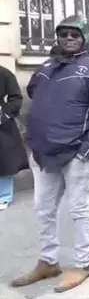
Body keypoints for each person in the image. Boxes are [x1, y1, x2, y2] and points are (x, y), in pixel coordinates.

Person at [12, 16, 89, 292]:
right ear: (57, 37)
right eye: (64, 34)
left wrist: (88, 152)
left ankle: (84, 263)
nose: (69, 38)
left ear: (85, 37)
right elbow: (35, 93)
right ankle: (48, 260)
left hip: (76, 153)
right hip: (43, 151)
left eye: (75, 34)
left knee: (79, 209)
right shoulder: (47, 66)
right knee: (44, 208)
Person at [0, 64, 28, 211]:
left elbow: (16, 97)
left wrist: (4, 115)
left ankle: (3, 196)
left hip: (1, 125)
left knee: (3, 161)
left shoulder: (4, 73)